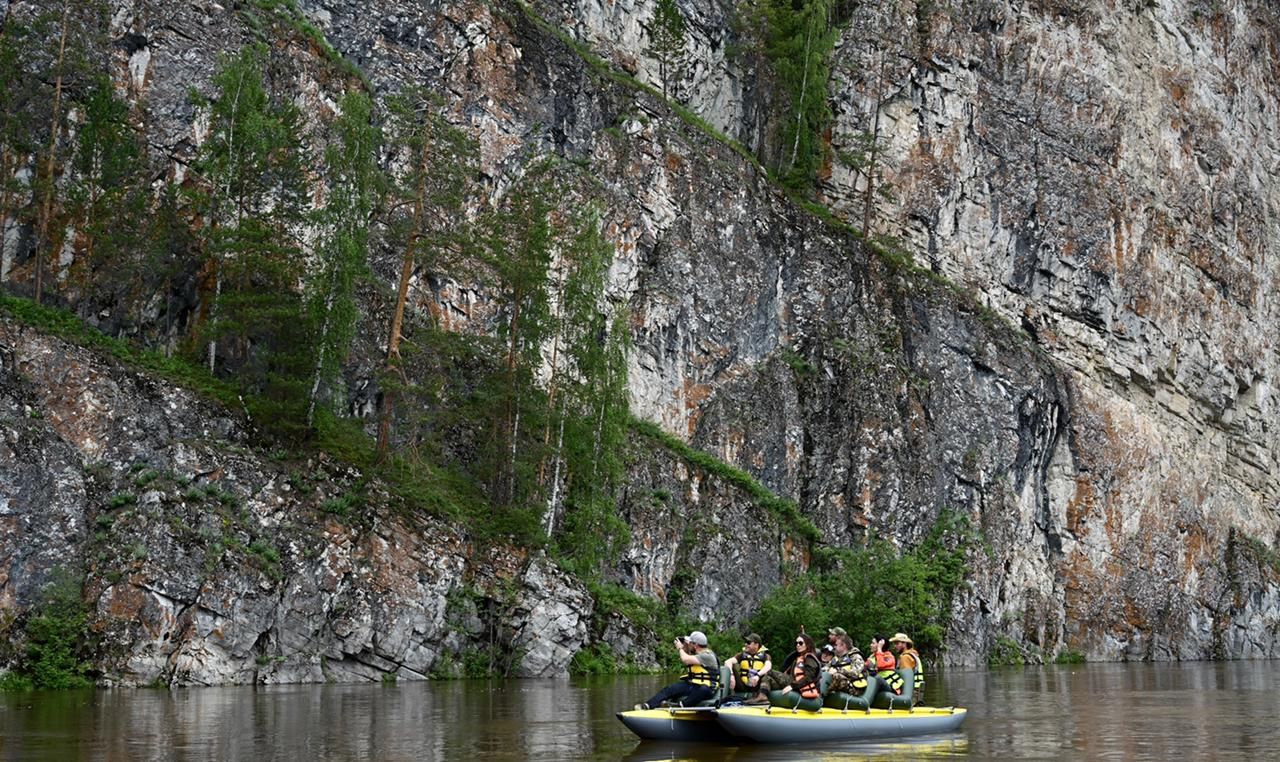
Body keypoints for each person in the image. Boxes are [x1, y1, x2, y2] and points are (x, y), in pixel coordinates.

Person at [634, 630, 719, 710]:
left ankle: (680, 706)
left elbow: (686, 660)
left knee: (702, 689)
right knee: (670, 688)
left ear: (695, 645)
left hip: (707, 688)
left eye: (690, 643)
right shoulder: (696, 654)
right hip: (694, 685)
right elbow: (687, 656)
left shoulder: (708, 656)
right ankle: (648, 705)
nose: (689, 644)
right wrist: (685, 646)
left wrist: (680, 648)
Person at [746, 632, 821, 705]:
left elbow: (809, 678)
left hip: (800, 686)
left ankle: (760, 693)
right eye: (796, 643)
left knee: (769, 672)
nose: (798, 645)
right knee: (767, 678)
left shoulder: (810, 658)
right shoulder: (798, 658)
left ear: (808, 644)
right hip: (793, 682)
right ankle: (762, 696)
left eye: (800, 643)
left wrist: (792, 686)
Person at [890, 632, 925, 703]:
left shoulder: (905, 658)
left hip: (911, 694)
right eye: (894, 644)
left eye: (897, 643)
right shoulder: (913, 654)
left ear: (904, 644)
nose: (895, 646)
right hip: (917, 692)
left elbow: (905, 679)